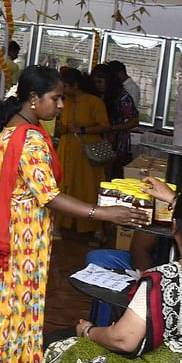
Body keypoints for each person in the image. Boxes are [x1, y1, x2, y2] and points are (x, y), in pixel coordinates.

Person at [0, 66, 147, 363]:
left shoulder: (12, 125)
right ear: (33, 99)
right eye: (55, 98)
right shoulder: (30, 139)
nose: (60, 105)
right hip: (17, 231)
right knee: (11, 301)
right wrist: (103, 213)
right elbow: (49, 196)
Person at [40, 190, 182, 363]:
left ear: (174, 226)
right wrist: (174, 198)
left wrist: (88, 331)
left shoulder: (168, 278)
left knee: (65, 349)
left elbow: (123, 339)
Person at [88, 157, 182, 273]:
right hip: (157, 265)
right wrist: (150, 282)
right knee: (97, 258)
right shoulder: (163, 207)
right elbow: (140, 249)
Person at [55, 69, 113, 238]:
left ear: (75, 86)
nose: (62, 90)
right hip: (66, 150)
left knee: (88, 188)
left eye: (65, 86)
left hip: (86, 153)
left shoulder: (94, 102)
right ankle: (59, 225)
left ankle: (96, 228)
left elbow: (105, 126)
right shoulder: (65, 102)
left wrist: (82, 129)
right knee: (63, 186)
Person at [92, 63, 139, 180]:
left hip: (116, 142)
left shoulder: (122, 97)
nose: (97, 85)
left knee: (111, 175)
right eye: (94, 82)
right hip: (97, 140)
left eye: (100, 82)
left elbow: (134, 121)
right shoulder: (96, 96)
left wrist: (112, 128)